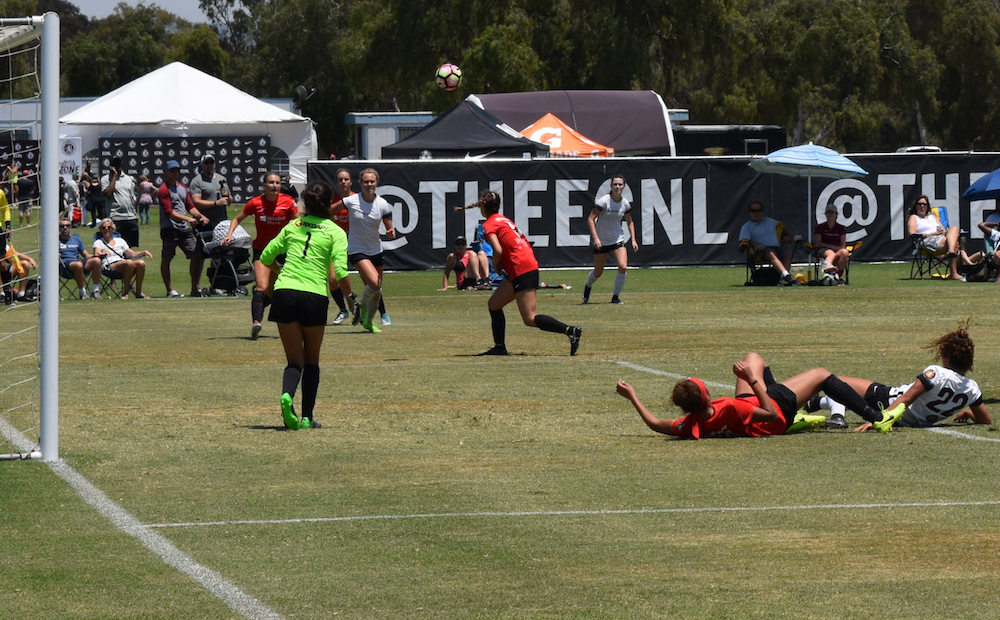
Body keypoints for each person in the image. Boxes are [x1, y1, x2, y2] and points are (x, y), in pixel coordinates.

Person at [615, 352, 897, 439]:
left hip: (753, 405)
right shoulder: (729, 409)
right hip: (775, 410)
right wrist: (753, 381)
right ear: (707, 394)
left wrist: (633, 397)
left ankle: (794, 406)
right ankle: (876, 417)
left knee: (753, 357)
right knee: (822, 374)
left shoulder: (691, 426)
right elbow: (771, 414)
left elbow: (655, 424)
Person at [261, 180, 352, 430]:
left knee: (294, 361)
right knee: (311, 360)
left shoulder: (293, 226)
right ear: (329, 204)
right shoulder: (335, 232)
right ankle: (307, 417)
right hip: (313, 296)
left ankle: (287, 394)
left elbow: (265, 256)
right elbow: (340, 272)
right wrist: (352, 299)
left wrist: (280, 271)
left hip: (285, 293)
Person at [806, 322, 992, 432]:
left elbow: (906, 398)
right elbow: (986, 421)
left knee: (835, 382)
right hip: (910, 421)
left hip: (886, 401)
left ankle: (837, 416)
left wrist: (879, 419)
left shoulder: (937, 373)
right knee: (842, 393)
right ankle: (816, 404)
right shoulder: (972, 389)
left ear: (945, 356)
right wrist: (969, 413)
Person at [463, 189, 582, 356]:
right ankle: (499, 347)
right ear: (497, 206)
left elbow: (497, 249)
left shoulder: (488, 225)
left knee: (530, 318)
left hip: (521, 268)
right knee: (494, 305)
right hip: (524, 264)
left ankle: (571, 331)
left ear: (483, 208)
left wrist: (496, 265)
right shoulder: (504, 220)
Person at [223, 171, 298, 338]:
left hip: (282, 252)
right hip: (262, 251)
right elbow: (237, 219)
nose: (274, 186)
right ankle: (256, 322)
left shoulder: (288, 202)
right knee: (261, 287)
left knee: (272, 293)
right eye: (271, 183)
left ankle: (260, 308)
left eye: (277, 183)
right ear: (264, 185)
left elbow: (297, 221)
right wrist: (229, 235)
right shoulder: (255, 203)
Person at [332, 168, 396, 332]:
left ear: (377, 183)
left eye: (372, 181)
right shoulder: (351, 200)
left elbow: (390, 228)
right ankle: (360, 307)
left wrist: (391, 232)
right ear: (360, 183)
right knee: (374, 283)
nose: (369, 184)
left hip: (376, 250)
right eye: (366, 182)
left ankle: (368, 321)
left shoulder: (382, 204)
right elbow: (329, 212)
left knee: (376, 288)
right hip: (357, 250)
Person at [583, 175, 638, 304]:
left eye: (620, 185)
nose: (617, 187)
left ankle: (615, 297)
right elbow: (590, 219)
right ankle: (588, 286)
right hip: (602, 240)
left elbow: (630, 222)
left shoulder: (625, 203)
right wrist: (596, 238)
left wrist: (634, 240)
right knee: (598, 272)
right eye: (615, 185)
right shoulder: (604, 201)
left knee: (623, 266)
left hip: (617, 239)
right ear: (611, 186)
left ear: (624, 186)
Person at [157, 160, 209, 298]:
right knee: (167, 258)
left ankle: (194, 288)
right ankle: (170, 290)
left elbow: (191, 207)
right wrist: (188, 219)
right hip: (169, 228)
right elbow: (169, 212)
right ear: (167, 172)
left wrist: (200, 216)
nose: (174, 173)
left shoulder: (183, 188)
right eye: (171, 170)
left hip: (184, 228)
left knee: (197, 254)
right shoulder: (163, 189)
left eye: (176, 170)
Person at [738, 200, 799, 286]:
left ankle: (783, 279)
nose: (756, 213)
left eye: (759, 210)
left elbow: (784, 230)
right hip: (759, 252)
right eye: (753, 211)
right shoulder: (747, 226)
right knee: (771, 252)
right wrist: (756, 244)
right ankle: (787, 276)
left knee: (788, 251)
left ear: (762, 212)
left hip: (776, 248)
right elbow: (744, 240)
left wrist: (787, 237)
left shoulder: (772, 222)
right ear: (750, 213)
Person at [92, 218, 153, 299]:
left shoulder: (120, 240)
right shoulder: (98, 242)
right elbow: (96, 253)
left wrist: (144, 252)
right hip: (109, 267)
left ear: (112, 229)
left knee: (141, 263)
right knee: (128, 262)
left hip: (124, 264)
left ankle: (138, 293)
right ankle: (126, 293)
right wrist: (102, 253)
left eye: (109, 227)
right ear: (100, 229)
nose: (106, 229)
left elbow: (132, 254)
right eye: (103, 228)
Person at [907, 194, 960, 280]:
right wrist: (932, 234)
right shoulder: (914, 217)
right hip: (927, 240)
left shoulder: (932, 216)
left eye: (924, 204)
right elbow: (912, 234)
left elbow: (943, 230)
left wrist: (942, 232)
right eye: (919, 204)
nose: (922, 206)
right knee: (955, 243)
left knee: (954, 229)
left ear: (927, 206)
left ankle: (950, 250)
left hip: (941, 237)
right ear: (915, 206)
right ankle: (954, 273)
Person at [326, 168, 355, 325]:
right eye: (340, 180)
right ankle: (343, 310)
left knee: (371, 280)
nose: (343, 182)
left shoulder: (358, 199)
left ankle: (381, 313)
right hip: (337, 245)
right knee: (332, 280)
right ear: (336, 183)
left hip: (357, 244)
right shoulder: (333, 202)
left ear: (351, 182)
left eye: (346, 179)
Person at [101, 156, 140, 248]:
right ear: (111, 166)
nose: (117, 166)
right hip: (116, 217)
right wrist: (114, 177)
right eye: (115, 164)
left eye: (118, 164)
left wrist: (134, 210)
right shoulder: (105, 179)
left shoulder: (128, 178)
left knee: (129, 248)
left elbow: (132, 196)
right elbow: (108, 194)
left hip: (130, 217)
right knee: (116, 247)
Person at [58, 218, 102, 300]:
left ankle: (95, 291)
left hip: (79, 263)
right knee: (78, 264)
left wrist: (97, 255)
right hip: (64, 266)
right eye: (62, 226)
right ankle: (83, 292)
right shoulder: (55, 240)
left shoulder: (76, 240)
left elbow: (86, 255)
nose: (65, 228)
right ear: (59, 228)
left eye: (67, 226)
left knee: (97, 261)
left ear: (71, 227)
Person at [188, 154, 231, 229]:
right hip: (205, 223)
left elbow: (229, 202)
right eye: (206, 163)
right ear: (202, 165)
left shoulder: (221, 179)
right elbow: (196, 202)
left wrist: (227, 197)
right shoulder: (197, 181)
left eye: (211, 162)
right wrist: (216, 203)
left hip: (222, 223)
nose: (209, 165)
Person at [813, 204, 848, 284]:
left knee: (845, 252)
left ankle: (837, 277)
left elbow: (842, 245)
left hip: (837, 250)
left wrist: (836, 248)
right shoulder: (820, 227)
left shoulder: (841, 228)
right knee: (830, 252)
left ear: (836, 214)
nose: (830, 214)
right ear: (825, 214)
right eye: (828, 212)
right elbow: (817, 243)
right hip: (823, 250)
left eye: (832, 212)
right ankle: (828, 267)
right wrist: (830, 246)